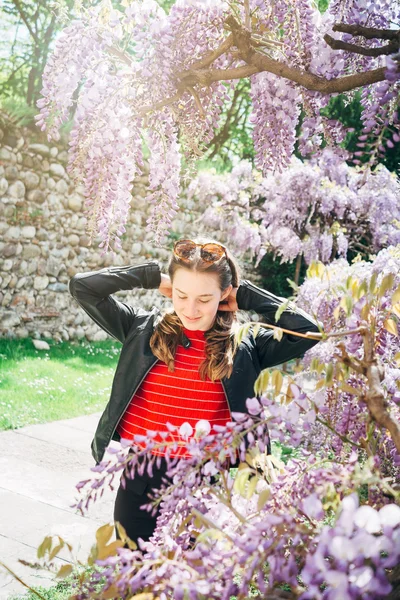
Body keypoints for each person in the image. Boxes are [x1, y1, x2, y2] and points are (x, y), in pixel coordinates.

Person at [68, 237, 321, 548]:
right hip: (141, 475)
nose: (190, 308)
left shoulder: (246, 345)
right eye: (181, 294)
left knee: (193, 580)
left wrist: (247, 296)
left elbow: (310, 330)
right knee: (131, 573)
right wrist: (150, 276)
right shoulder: (142, 329)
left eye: (204, 298)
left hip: (208, 482)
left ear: (224, 294)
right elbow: (83, 287)